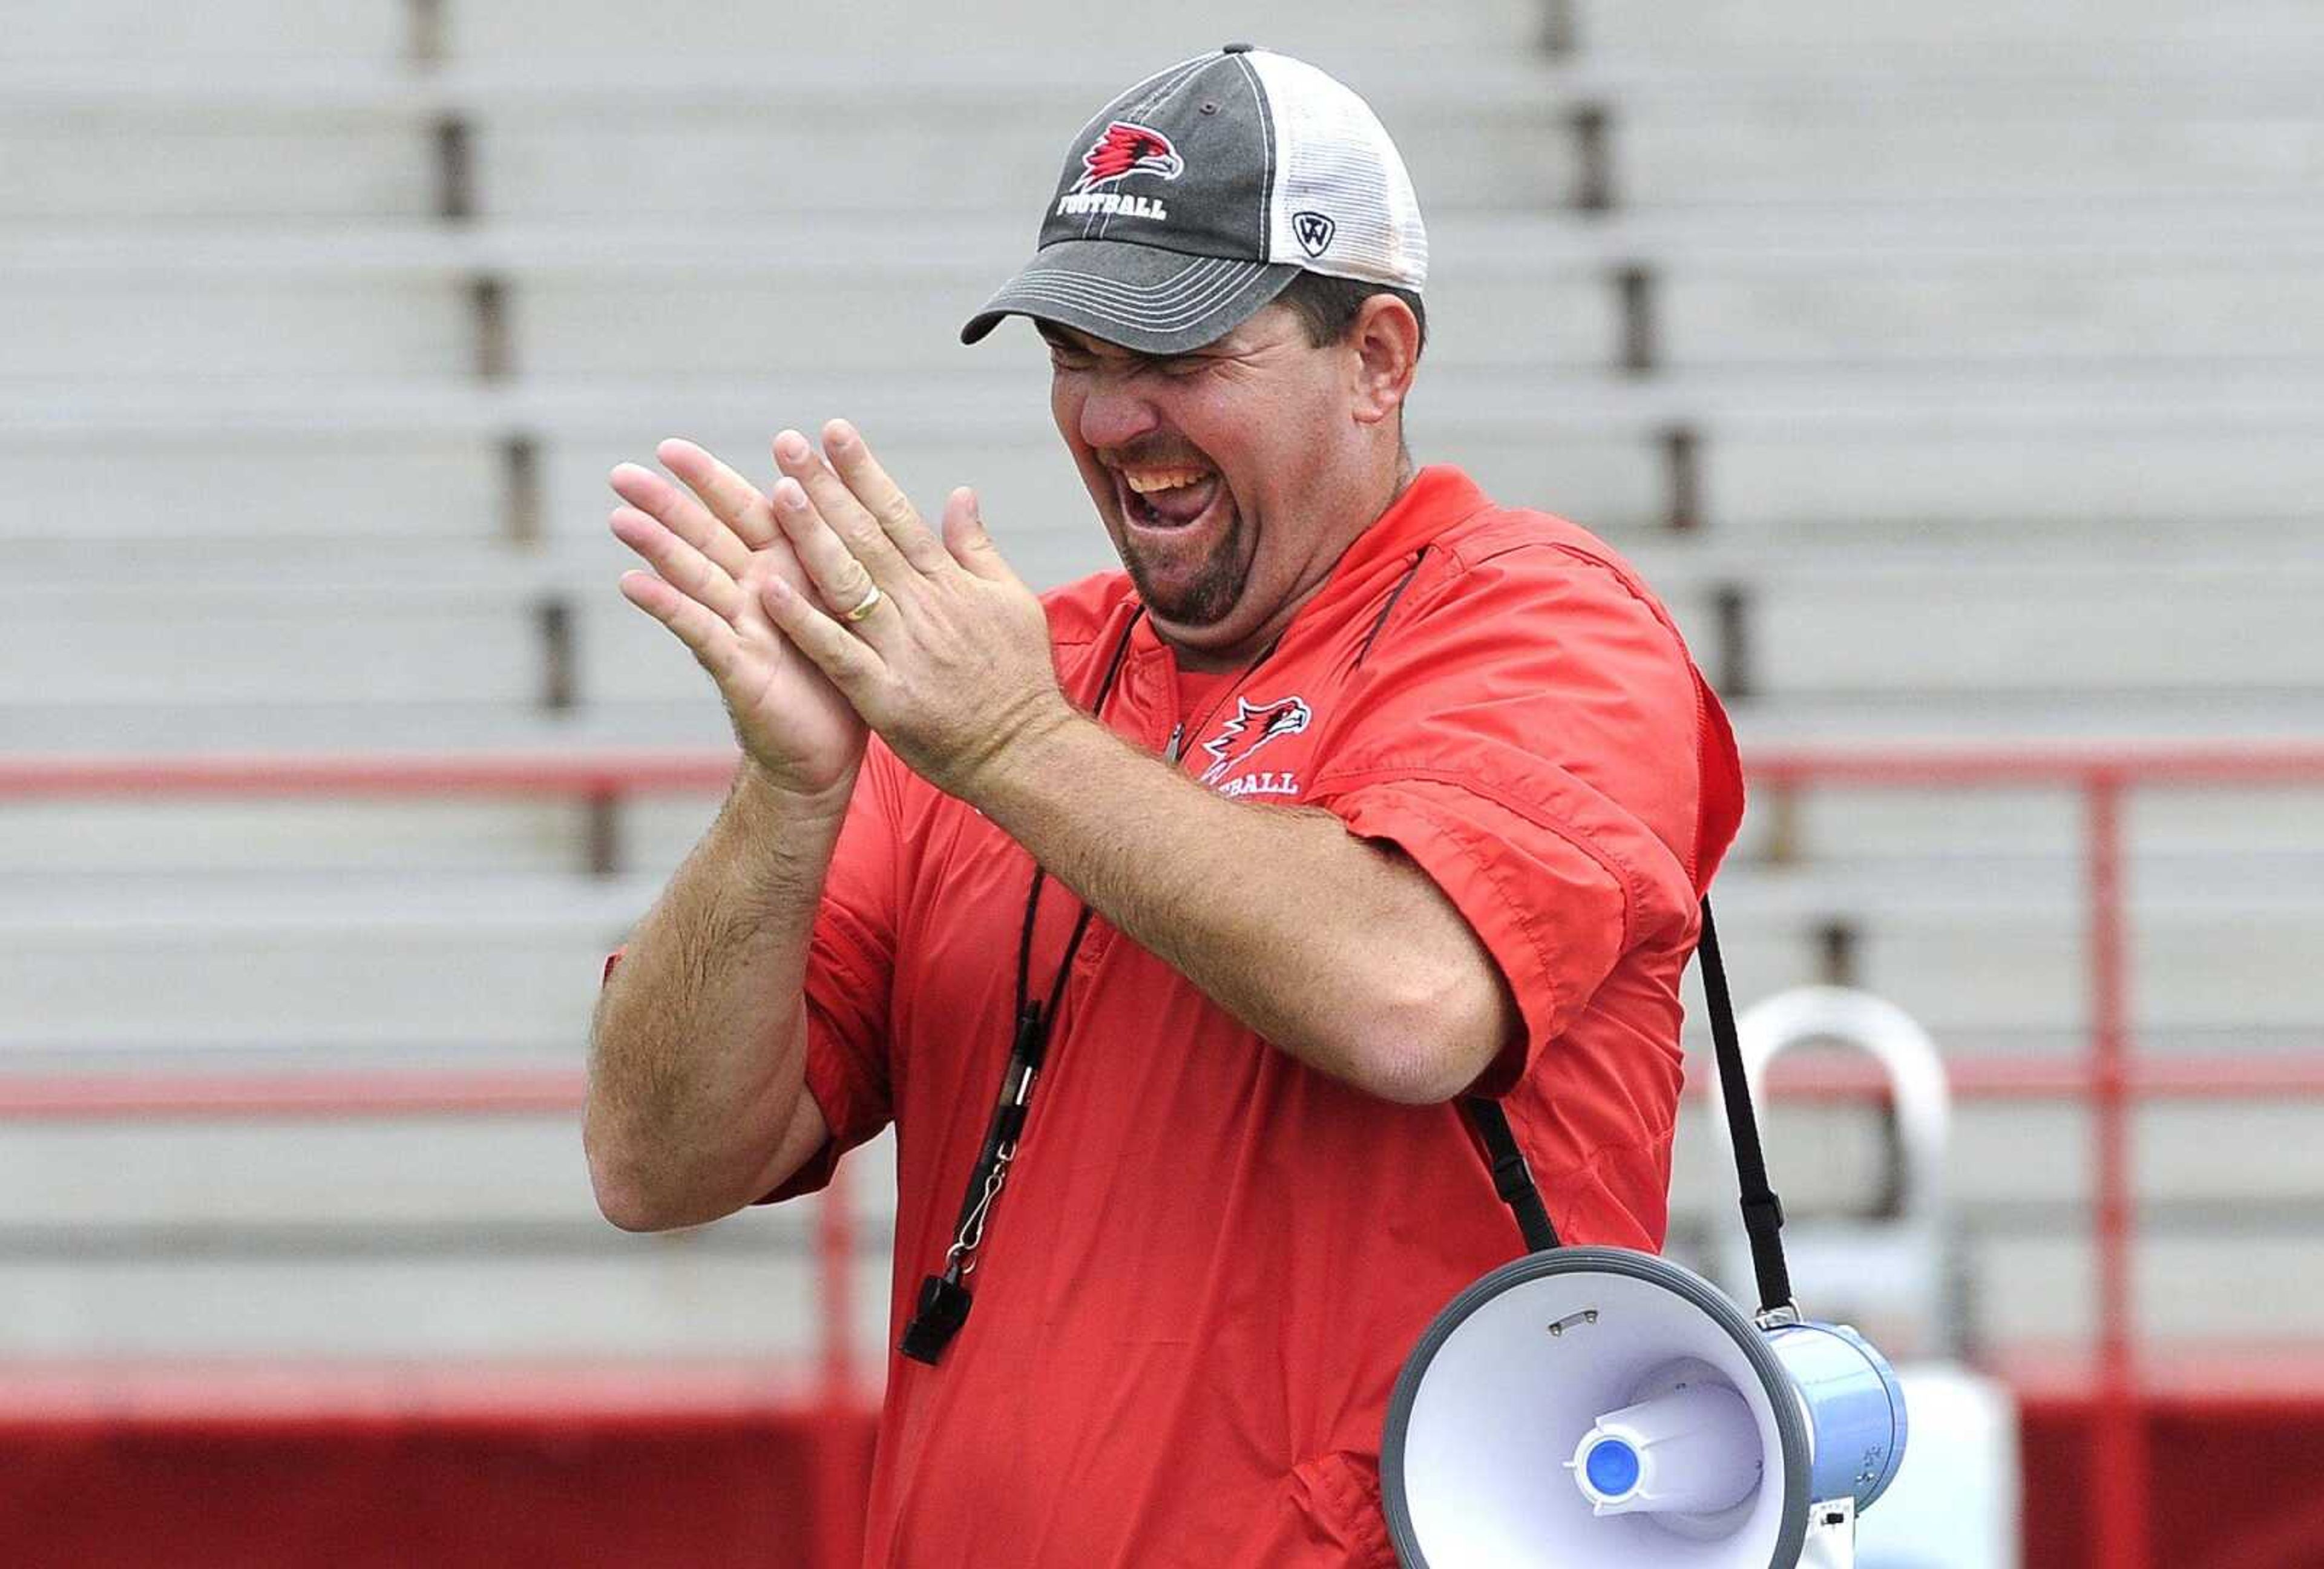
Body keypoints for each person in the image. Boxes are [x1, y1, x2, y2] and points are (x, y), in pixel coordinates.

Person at [586, 45, 1744, 1568]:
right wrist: (790, 792)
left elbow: (1411, 999)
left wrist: (1009, 743)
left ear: (1378, 358)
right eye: (1077, 352)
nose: (1115, 419)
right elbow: (652, 1164)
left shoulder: (1545, 624)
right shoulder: (1018, 681)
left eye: (1183, 355)